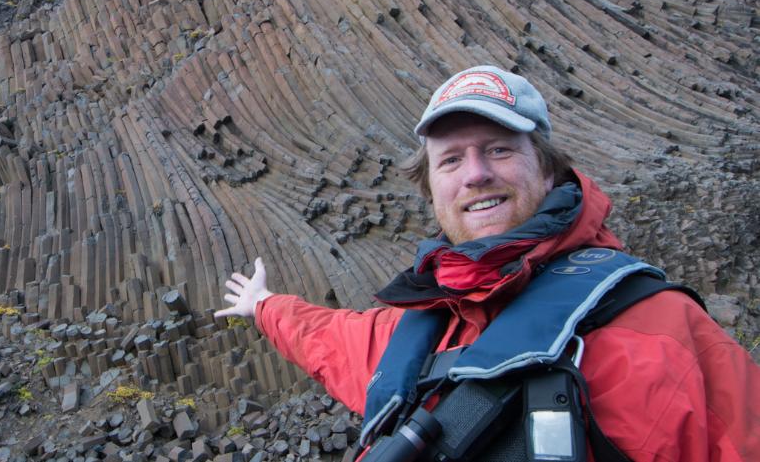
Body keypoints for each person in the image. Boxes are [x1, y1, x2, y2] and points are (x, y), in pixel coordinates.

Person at [216, 65, 759, 461]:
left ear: (547, 170)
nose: (475, 174)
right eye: (451, 160)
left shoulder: (668, 332)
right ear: (431, 191)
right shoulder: (412, 336)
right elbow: (328, 338)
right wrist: (262, 305)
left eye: (498, 149)